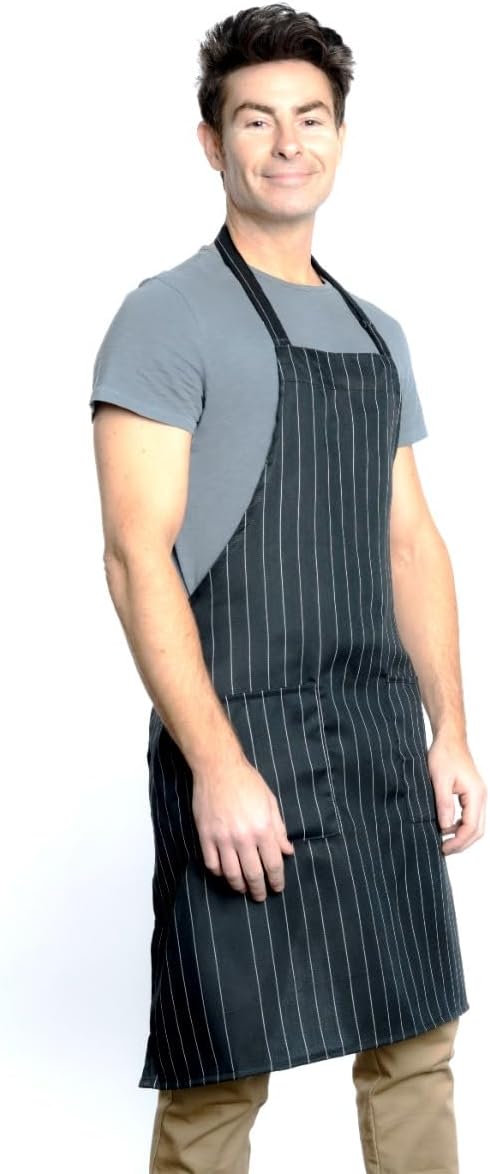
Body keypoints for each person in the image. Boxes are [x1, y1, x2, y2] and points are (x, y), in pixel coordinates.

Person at [90, 6, 486, 1172]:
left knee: (418, 1043)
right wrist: (215, 767)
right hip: (241, 735)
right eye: (254, 119)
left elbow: (410, 544)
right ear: (211, 143)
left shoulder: (379, 331)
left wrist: (451, 730)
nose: (284, 143)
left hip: (373, 738)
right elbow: (133, 555)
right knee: (222, 1070)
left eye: (308, 118)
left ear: (340, 137)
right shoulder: (164, 315)